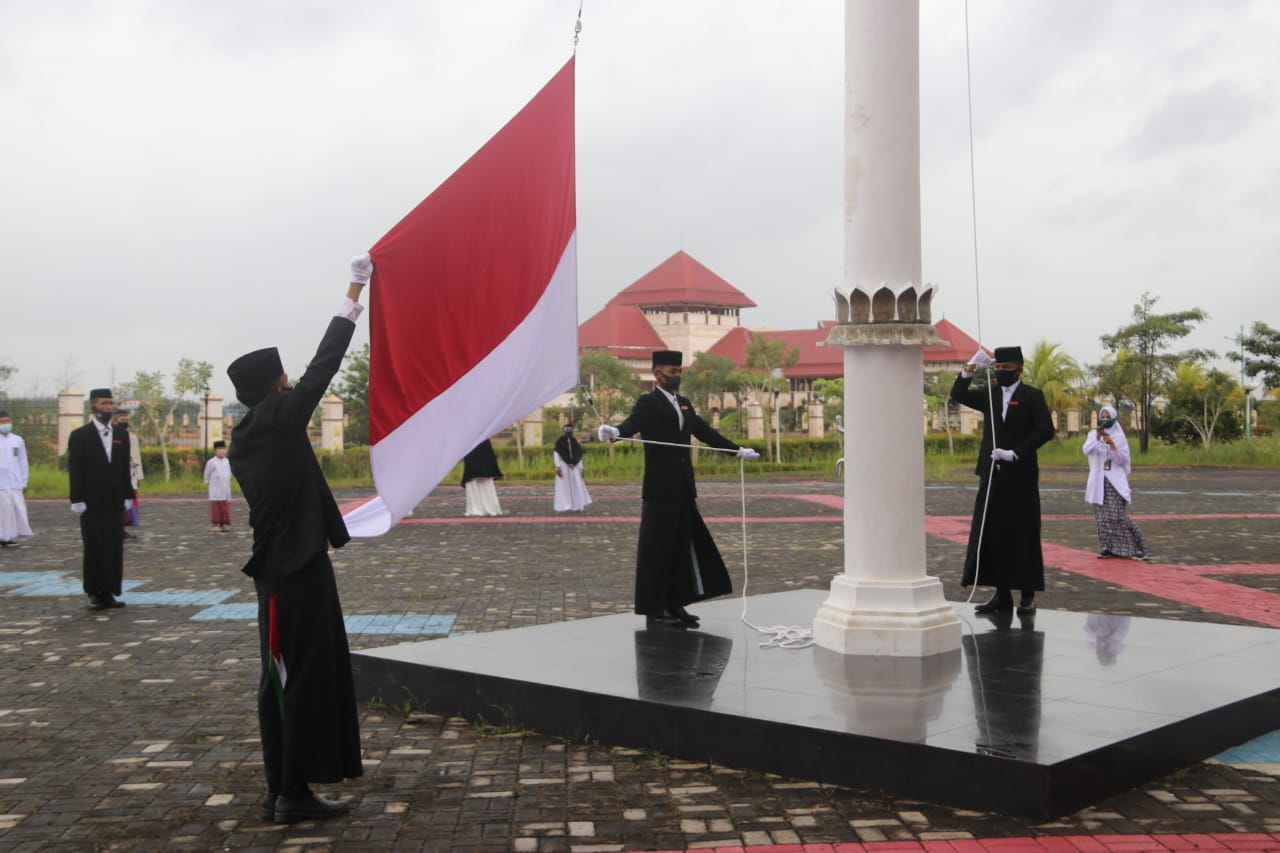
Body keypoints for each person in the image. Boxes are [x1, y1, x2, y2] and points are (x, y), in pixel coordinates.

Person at [226, 254, 370, 825]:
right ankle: (290, 791)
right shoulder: (279, 420)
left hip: (288, 567)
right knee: (293, 678)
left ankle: (284, 785)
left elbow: (311, 376)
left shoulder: (247, 433)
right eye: (286, 378)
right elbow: (325, 367)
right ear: (276, 385)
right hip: (293, 571)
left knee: (288, 674)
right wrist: (353, 291)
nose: (293, 383)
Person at [598, 350, 759, 629]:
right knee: (657, 550)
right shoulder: (648, 403)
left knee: (681, 548)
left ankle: (675, 602)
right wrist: (614, 432)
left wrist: (737, 451)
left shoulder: (684, 404)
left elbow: (705, 432)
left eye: (679, 371)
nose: (678, 377)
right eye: (673, 372)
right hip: (660, 490)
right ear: (657, 374)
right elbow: (632, 424)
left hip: (684, 487)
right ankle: (655, 608)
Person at [950, 346, 1054, 616]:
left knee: (1023, 532)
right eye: (997, 369)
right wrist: (970, 366)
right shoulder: (990, 395)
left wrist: (1016, 453)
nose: (1000, 373)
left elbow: (1045, 431)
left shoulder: (1032, 396)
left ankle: (1027, 594)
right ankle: (1002, 594)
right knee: (993, 533)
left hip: (1020, 475)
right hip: (992, 473)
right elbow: (957, 394)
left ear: (1019, 369)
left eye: (1006, 369)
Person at [68, 388, 133, 610]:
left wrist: (128, 494)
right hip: (91, 501)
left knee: (114, 547)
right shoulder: (80, 436)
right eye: (104, 404)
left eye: (110, 404)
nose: (108, 408)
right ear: (93, 406)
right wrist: (77, 498)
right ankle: (94, 592)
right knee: (95, 546)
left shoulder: (121, 435)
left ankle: (110, 591)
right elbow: (75, 470)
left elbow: (125, 467)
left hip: (115, 501)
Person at [1083, 405, 1150, 560]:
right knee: (1102, 517)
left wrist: (1112, 445)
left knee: (1118, 516)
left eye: (1108, 417)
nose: (1105, 420)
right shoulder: (1093, 434)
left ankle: (1136, 548)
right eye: (1103, 417)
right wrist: (1098, 437)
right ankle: (1107, 547)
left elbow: (1123, 460)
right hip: (1098, 482)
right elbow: (1087, 450)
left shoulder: (1119, 437)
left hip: (1114, 481)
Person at [0, 410, 33, 547]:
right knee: (3, 510)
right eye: (2, 422)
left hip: (15, 482)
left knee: (15, 509)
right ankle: (3, 537)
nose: (6, 424)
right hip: (1, 482)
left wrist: (24, 481)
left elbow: (22, 461)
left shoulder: (17, 440)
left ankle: (11, 536)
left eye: (8, 421)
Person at [113, 409, 144, 537]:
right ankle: (115, 529)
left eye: (126, 418)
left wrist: (139, 476)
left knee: (130, 502)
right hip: (117, 475)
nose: (124, 420)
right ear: (115, 419)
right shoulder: (112, 436)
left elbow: (137, 457)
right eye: (122, 418)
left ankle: (123, 529)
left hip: (132, 474)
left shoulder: (132, 437)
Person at [552, 421, 592, 512]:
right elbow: (557, 453)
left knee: (577, 485)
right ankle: (565, 504)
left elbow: (579, 454)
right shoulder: (560, 441)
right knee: (563, 487)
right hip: (563, 467)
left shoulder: (575, 442)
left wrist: (579, 466)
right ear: (564, 430)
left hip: (575, 468)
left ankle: (578, 504)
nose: (569, 431)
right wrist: (558, 466)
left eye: (571, 430)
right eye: (567, 429)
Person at [461, 440, 504, 517]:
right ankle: (478, 507)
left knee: (483, 477)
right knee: (472, 476)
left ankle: (486, 507)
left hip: (480, 444)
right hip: (472, 445)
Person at [204, 440, 233, 532]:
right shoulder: (211, 462)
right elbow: (206, 475)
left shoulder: (228, 462)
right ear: (215, 450)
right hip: (215, 490)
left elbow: (229, 474)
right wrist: (209, 483)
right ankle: (215, 524)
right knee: (216, 508)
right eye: (220, 448)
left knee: (224, 507)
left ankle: (222, 524)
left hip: (225, 489)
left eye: (223, 448)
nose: (222, 450)